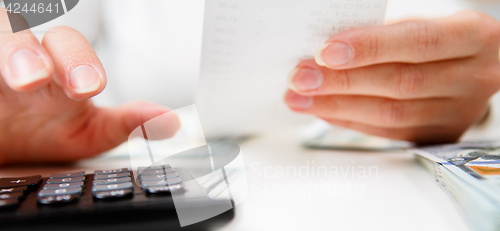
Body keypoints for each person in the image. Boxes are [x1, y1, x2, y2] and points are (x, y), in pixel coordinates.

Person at [0, 0, 499, 165]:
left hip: (390, 188)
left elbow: (469, 37)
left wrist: (476, 98)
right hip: (155, 171)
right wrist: (20, 95)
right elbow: (30, 23)